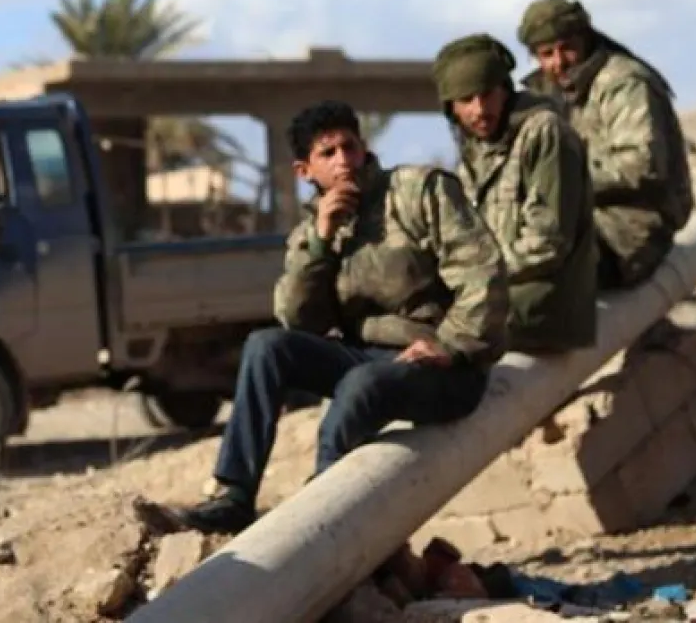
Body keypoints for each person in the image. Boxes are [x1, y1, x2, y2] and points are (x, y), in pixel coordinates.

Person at [142, 100, 508, 535]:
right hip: (370, 359)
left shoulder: (419, 192)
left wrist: (449, 345)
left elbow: (483, 274)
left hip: (446, 367)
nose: (343, 162)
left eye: (349, 148)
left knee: (360, 384)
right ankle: (233, 496)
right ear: (304, 171)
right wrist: (321, 243)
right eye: (327, 154)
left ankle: (322, 518)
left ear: (363, 147)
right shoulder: (311, 230)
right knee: (266, 347)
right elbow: (299, 322)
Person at [433, 33, 598, 353]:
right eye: (466, 101)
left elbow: (547, 243)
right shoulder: (475, 151)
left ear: (505, 91)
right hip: (501, 298)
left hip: (543, 307)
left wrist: (475, 277)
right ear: (451, 108)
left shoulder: (543, 131)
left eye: (487, 94)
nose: (479, 110)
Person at [517, 0, 693, 289]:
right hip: (577, 219)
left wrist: (558, 179)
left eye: (567, 48)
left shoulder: (623, 83)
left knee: (541, 266)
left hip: (631, 228)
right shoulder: (545, 94)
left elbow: (641, 165)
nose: (558, 61)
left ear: (585, 40)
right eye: (547, 54)